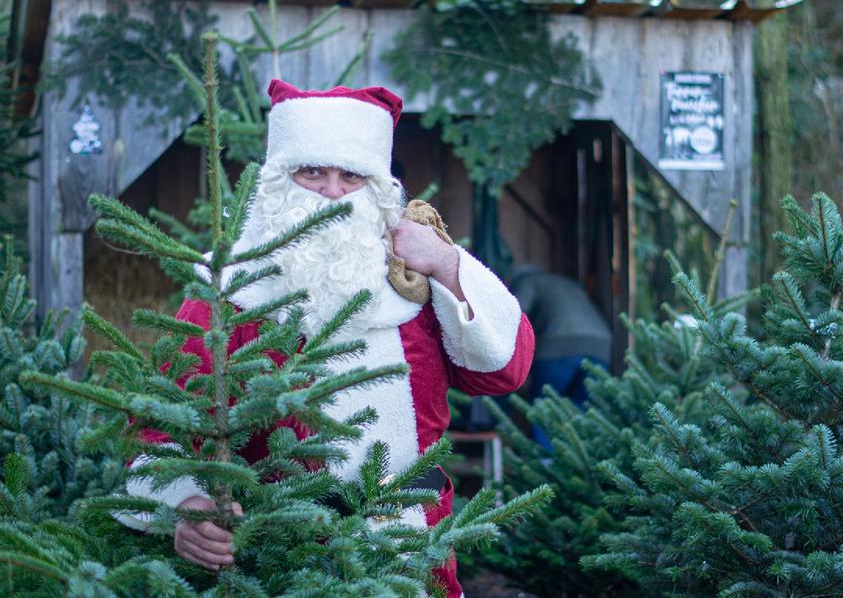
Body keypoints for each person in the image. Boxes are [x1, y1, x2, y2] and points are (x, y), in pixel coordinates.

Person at [122, 80, 535, 598]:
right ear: (279, 180)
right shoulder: (231, 289)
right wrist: (187, 504)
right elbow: (159, 426)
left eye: (351, 175)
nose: (333, 192)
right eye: (313, 172)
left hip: (410, 557)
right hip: (274, 562)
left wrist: (449, 266)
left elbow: (503, 372)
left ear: (377, 187)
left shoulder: (416, 282)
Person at [507, 265, 611, 450]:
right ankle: (581, 466)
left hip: (558, 345)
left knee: (544, 408)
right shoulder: (567, 283)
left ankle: (547, 467)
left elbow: (513, 315)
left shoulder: (526, 281)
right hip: (600, 347)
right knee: (582, 409)